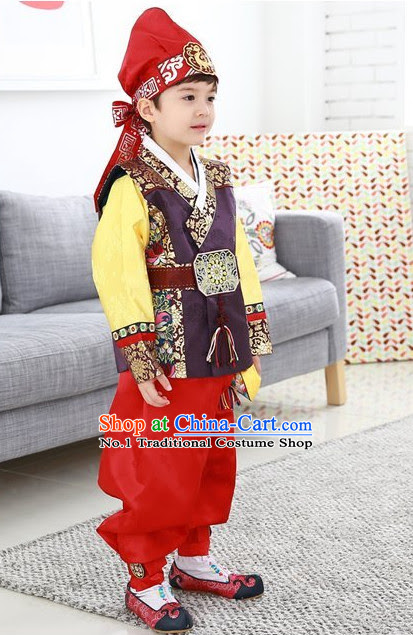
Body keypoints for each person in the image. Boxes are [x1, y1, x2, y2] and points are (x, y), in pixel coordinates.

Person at [91, 7, 273, 633]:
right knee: (160, 466)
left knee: (210, 458)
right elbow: (117, 273)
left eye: (210, 97)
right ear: (147, 107)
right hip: (167, 355)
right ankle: (145, 578)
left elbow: (238, 257)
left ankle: (194, 559)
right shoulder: (132, 185)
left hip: (217, 345)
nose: (203, 109)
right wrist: (140, 357)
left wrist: (251, 334)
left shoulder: (215, 176)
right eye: (187, 96)